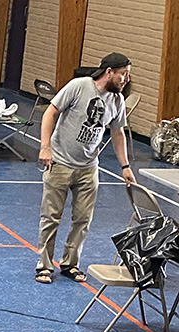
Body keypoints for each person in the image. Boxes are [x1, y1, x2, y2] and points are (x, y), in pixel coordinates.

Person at [35, 52, 135, 284]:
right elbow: (50, 113)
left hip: (89, 167)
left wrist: (125, 166)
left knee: (82, 220)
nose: (126, 80)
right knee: (51, 217)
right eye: (123, 74)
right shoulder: (79, 87)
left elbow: (117, 132)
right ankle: (44, 265)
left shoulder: (117, 100)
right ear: (109, 72)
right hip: (59, 163)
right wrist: (45, 147)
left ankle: (70, 264)